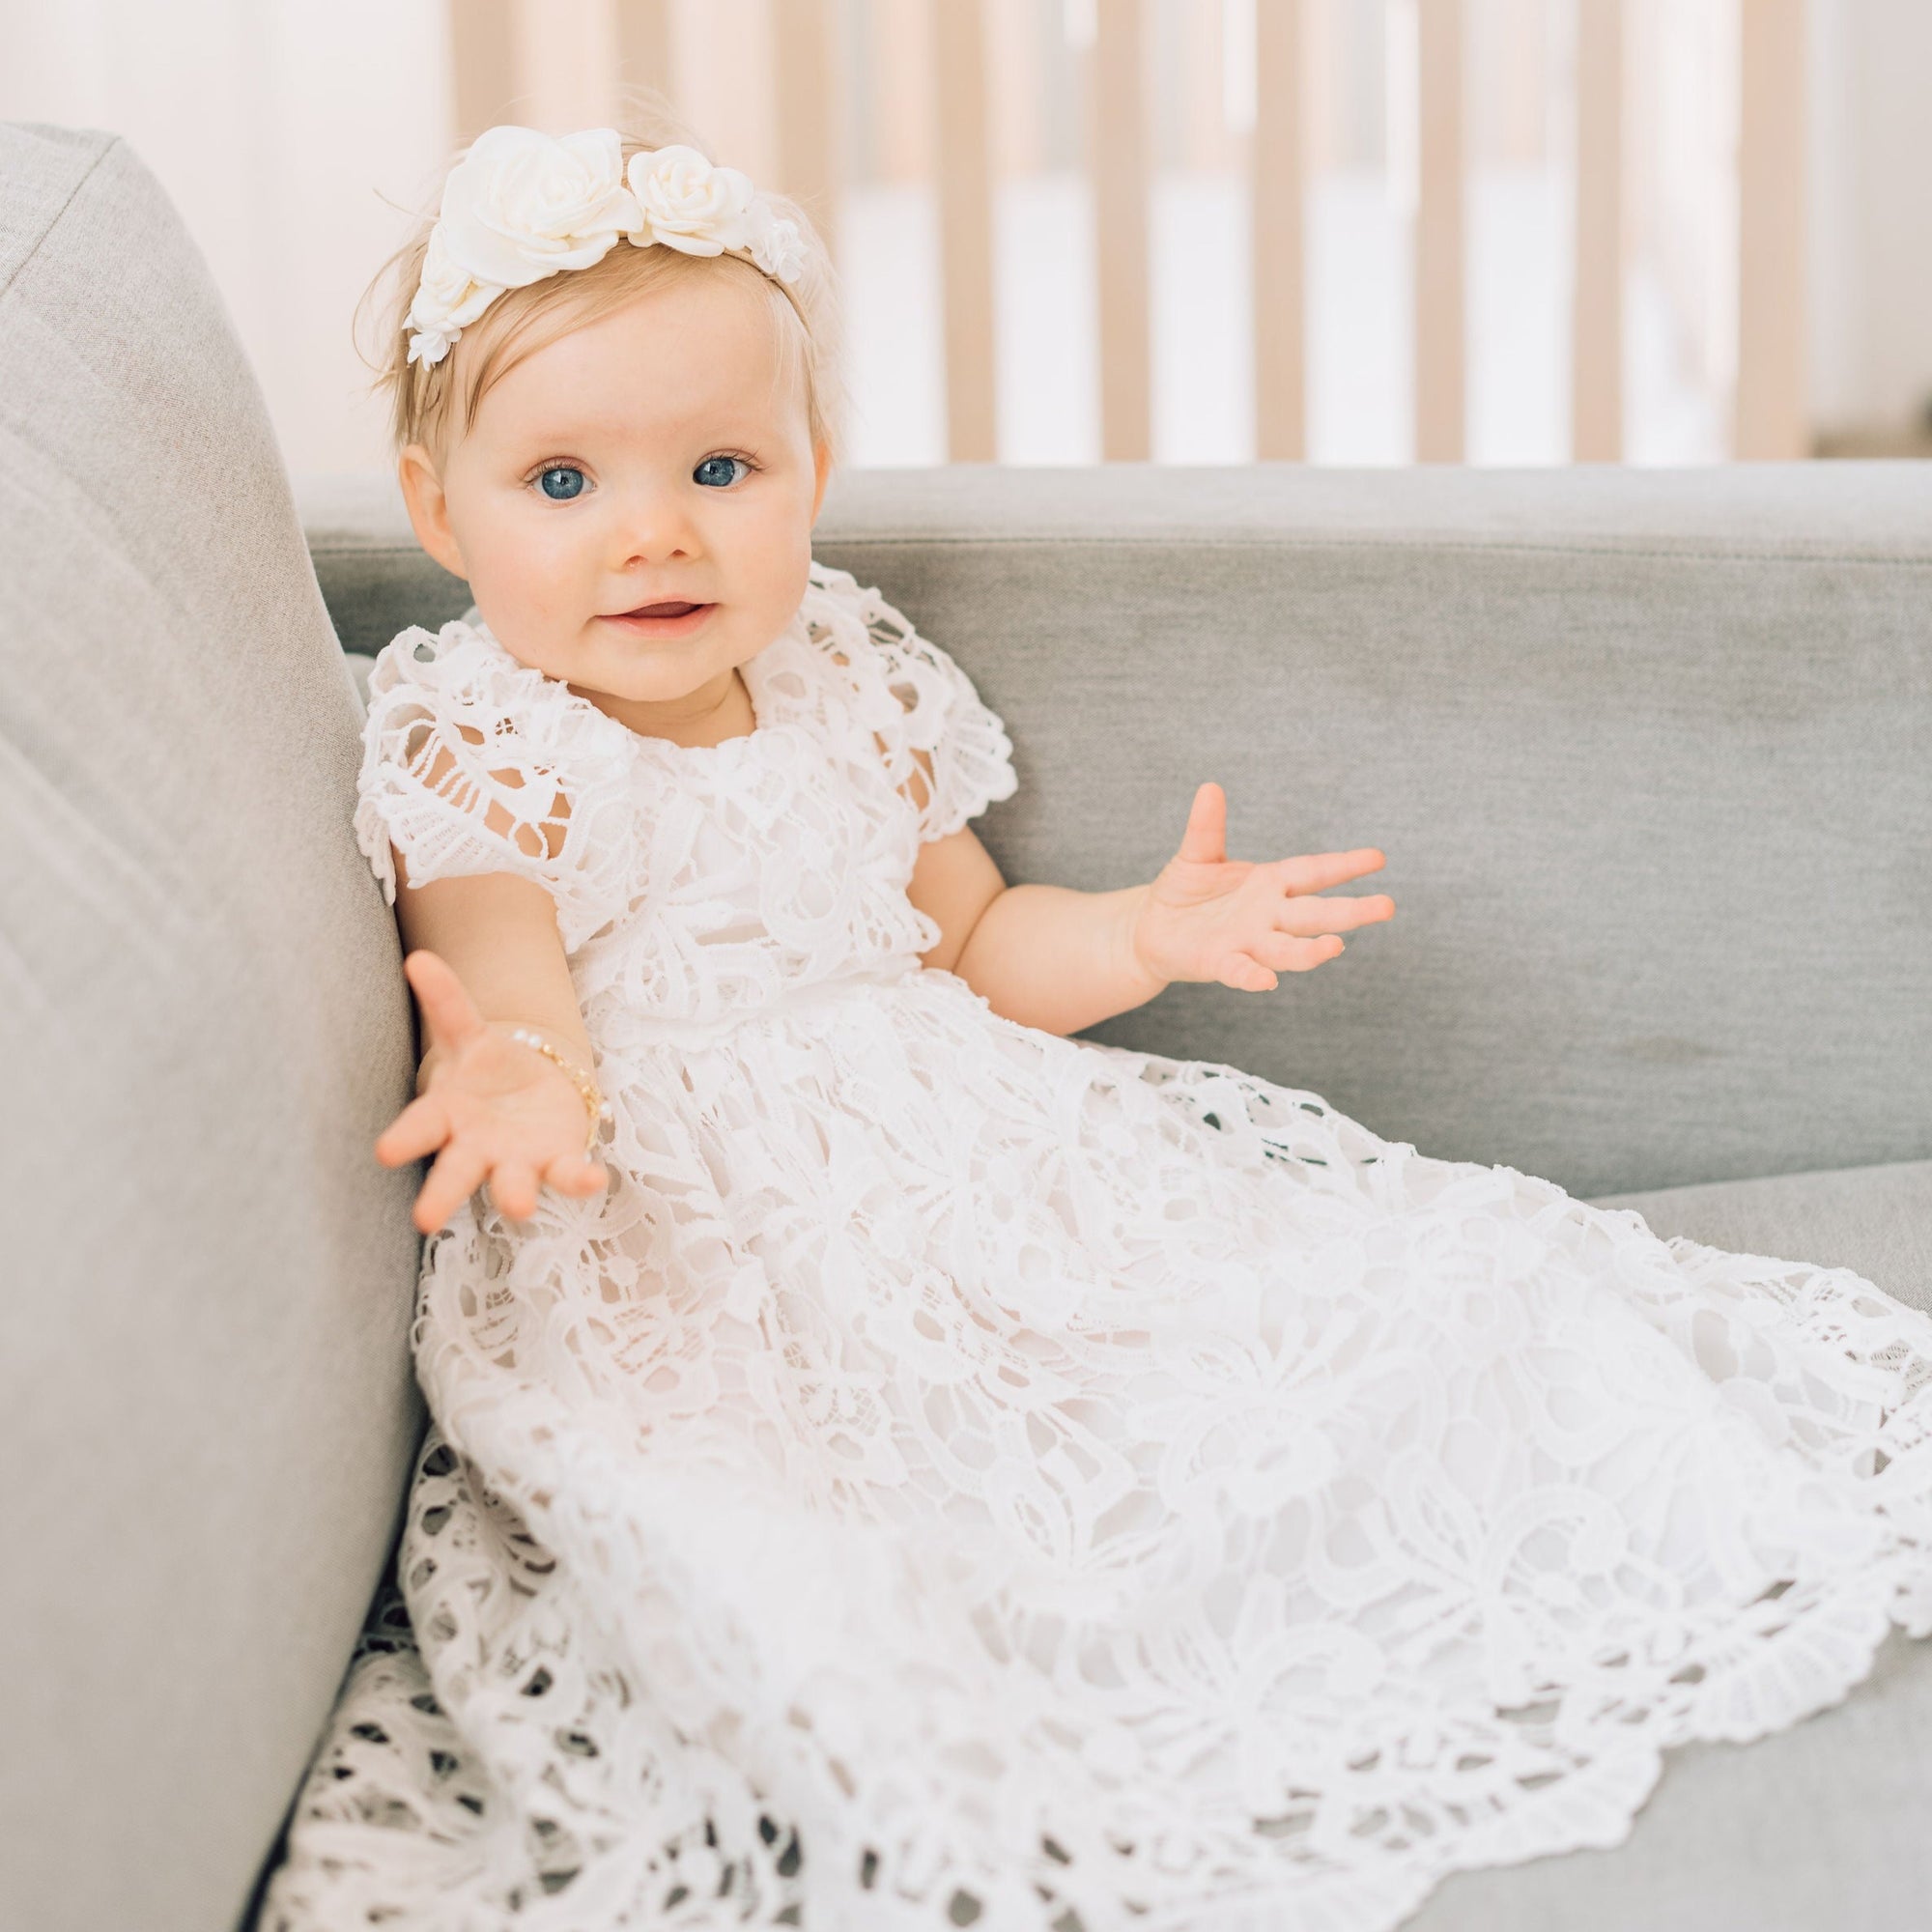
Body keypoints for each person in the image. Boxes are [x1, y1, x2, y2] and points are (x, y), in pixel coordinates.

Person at [263, 115, 1932, 1932]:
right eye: (563, 483)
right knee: (828, 1534)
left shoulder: (844, 672)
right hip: (695, 1221)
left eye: (723, 465)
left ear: (814, 468)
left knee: (1372, 1320)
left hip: (966, 1143)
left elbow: (977, 948)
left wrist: (1146, 931)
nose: (654, 530)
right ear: (442, 511)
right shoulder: (484, 733)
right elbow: (503, 975)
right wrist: (514, 1081)